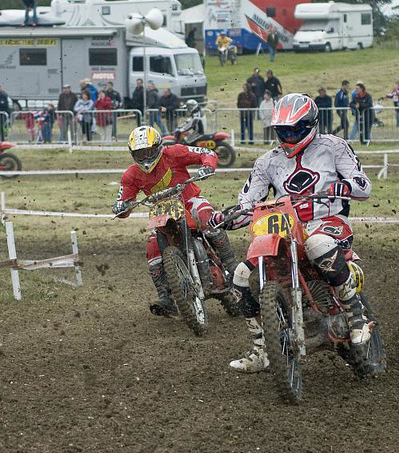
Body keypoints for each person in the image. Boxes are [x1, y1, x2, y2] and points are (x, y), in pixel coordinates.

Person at [208, 93, 373, 374]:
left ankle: (354, 315)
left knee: (319, 244)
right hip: (286, 229)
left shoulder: (334, 147)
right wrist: (227, 216)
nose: (288, 135)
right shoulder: (266, 162)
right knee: (240, 276)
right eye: (282, 130)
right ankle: (262, 347)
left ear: (310, 125)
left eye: (294, 129)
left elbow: (363, 185)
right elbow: (249, 202)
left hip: (328, 222)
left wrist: (344, 187)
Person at [111, 126, 238, 316]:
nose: (145, 157)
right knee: (152, 248)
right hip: (161, 213)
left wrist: (206, 166)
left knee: (207, 218)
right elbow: (123, 203)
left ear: (158, 147)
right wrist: (121, 208)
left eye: (148, 152)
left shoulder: (174, 153)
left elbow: (206, 152)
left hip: (189, 201)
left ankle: (231, 263)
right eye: (140, 153)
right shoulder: (131, 175)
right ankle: (166, 297)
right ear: (133, 154)